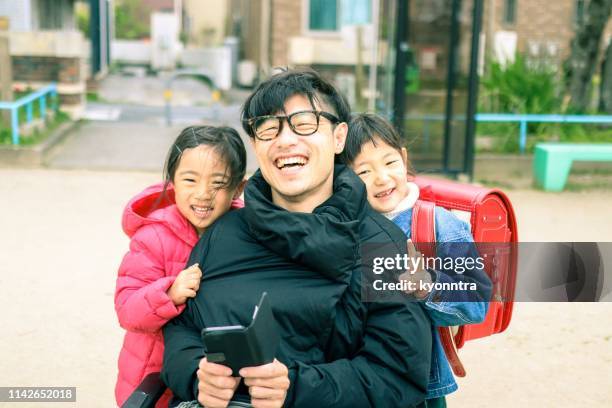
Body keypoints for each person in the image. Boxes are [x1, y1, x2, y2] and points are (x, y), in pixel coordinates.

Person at [161, 69, 432, 408]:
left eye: (305, 123)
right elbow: (182, 328)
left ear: (338, 137)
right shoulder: (225, 232)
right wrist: (194, 372)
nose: (285, 140)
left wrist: (295, 386)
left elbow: (397, 377)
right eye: (268, 128)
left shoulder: (381, 247)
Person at [339, 113, 493, 408]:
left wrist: (429, 286)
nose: (382, 178)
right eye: (364, 172)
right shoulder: (342, 228)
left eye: (389, 162)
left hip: (421, 389)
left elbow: (477, 303)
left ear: (404, 157)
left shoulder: (439, 225)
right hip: (358, 381)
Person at [114, 126, 247, 407]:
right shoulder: (154, 237)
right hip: (153, 381)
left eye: (219, 183)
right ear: (172, 181)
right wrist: (169, 293)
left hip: (214, 381)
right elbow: (127, 310)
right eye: (190, 180)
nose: (203, 194)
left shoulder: (243, 235)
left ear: (238, 187)